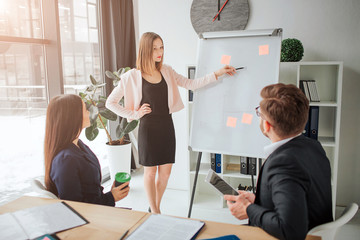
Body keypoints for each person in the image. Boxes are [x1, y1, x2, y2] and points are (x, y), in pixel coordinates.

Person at [106, 32, 236, 214]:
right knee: (150, 173)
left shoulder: (166, 70)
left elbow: (191, 83)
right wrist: (134, 114)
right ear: (145, 50)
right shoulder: (131, 77)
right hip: (148, 129)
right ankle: (157, 212)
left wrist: (217, 73)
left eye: (161, 47)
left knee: (165, 174)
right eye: (155, 48)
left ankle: (154, 207)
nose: (160, 52)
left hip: (166, 127)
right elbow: (109, 103)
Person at [224, 83, 333, 240]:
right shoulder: (313, 146)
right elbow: (299, 198)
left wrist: (248, 209)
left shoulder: (283, 163)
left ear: (267, 125)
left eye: (259, 115)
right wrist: (258, 201)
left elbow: (291, 230)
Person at [44, 94, 130, 206]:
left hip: (98, 211)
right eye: (85, 110)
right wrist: (111, 197)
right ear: (73, 118)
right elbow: (77, 207)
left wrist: (111, 194)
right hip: (91, 217)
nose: (89, 113)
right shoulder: (65, 160)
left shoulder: (78, 145)